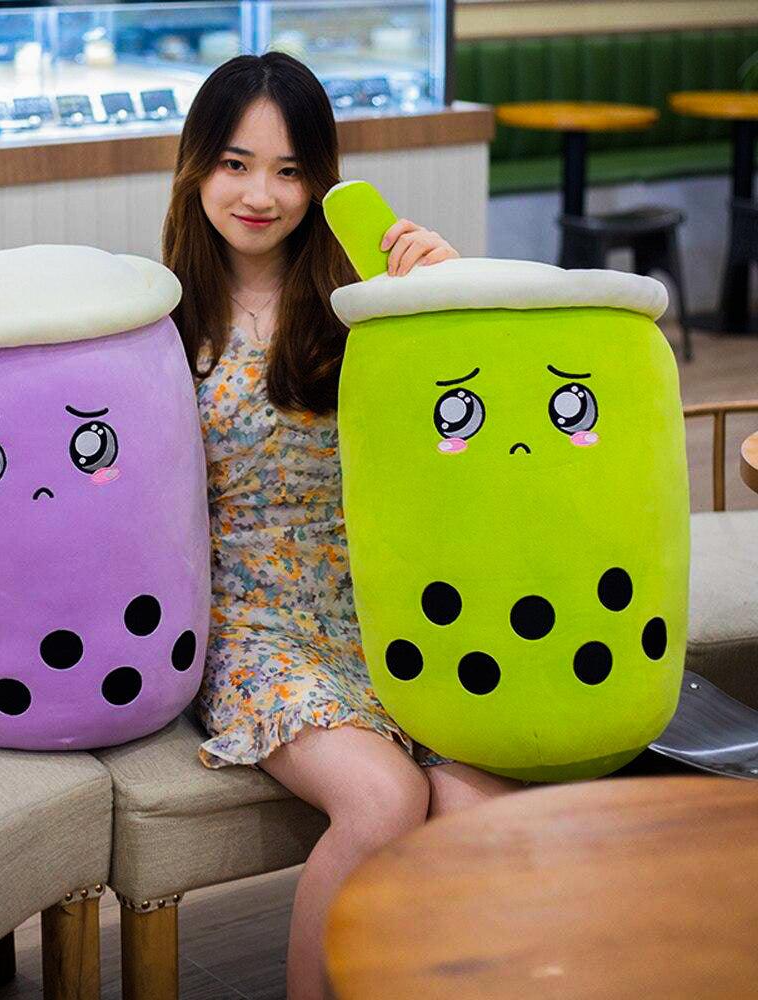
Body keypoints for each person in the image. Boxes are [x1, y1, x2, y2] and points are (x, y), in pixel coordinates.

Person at [161, 51, 520, 1000]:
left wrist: (449, 292)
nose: (261, 195)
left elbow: (480, 418)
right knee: (384, 797)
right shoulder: (163, 318)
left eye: (289, 170)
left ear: (321, 180)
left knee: (481, 802)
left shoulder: (364, 298)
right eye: (236, 164)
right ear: (197, 166)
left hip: (387, 610)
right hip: (253, 628)